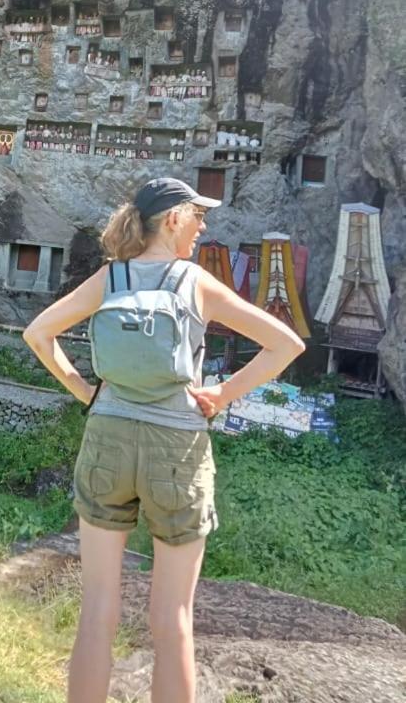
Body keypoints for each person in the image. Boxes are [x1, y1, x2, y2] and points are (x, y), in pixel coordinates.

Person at [23, 178, 305, 703]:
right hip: (176, 446)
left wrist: (86, 392)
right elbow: (286, 343)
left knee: (96, 609)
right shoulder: (193, 281)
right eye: (198, 215)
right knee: (172, 617)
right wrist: (222, 393)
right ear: (173, 218)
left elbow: (38, 334)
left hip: (107, 433)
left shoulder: (111, 277)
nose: (204, 226)